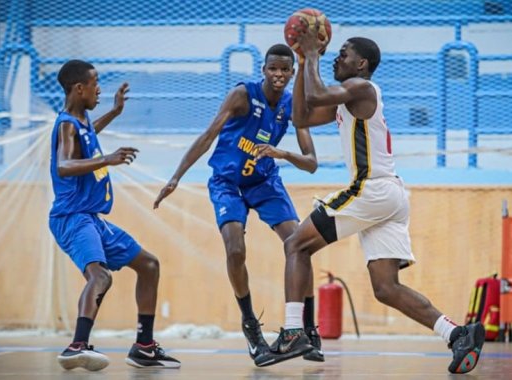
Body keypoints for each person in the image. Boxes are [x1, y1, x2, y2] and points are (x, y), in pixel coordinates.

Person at [254, 25, 485, 375]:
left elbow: (315, 95)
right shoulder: (347, 98)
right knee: (386, 288)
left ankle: (292, 332)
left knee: (296, 245)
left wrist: (310, 54)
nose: (336, 56)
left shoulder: (361, 88)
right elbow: (302, 115)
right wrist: (302, 62)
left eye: (343, 53)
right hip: (389, 196)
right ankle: (456, 333)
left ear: (361, 64)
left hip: (372, 188)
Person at [153, 44, 324, 365]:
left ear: (292, 73)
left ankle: (308, 331)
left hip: (264, 181)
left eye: (285, 70)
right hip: (227, 182)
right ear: (264, 70)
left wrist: (283, 154)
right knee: (235, 250)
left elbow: (312, 162)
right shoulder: (242, 95)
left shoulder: (293, 105)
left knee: (299, 244)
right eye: (273, 69)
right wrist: (176, 177)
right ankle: (251, 329)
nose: (278, 75)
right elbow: (208, 135)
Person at [49, 59, 180, 371]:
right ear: (79, 89)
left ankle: (144, 347)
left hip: (91, 218)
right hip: (73, 216)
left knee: (149, 265)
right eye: (95, 84)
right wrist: (108, 158)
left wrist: (115, 112)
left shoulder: (82, 123)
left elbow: (89, 134)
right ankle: (76, 346)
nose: (99, 89)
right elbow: (63, 166)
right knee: (101, 276)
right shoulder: (67, 123)